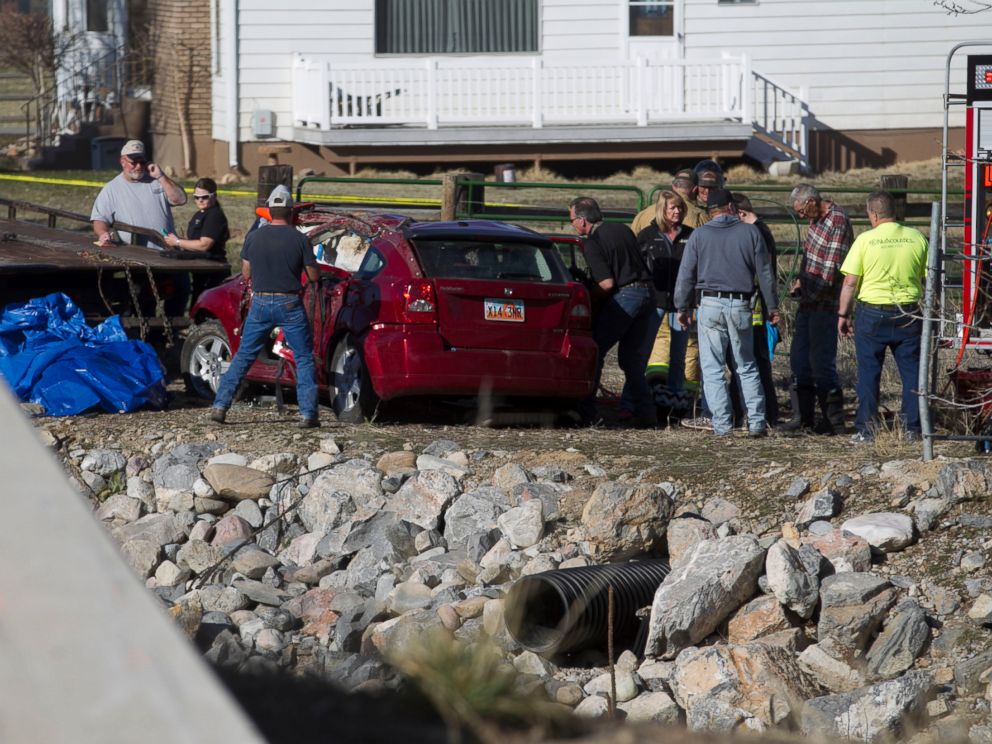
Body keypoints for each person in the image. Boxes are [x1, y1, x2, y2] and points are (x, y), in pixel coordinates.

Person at [210, 190, 321, 428]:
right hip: (289, 303)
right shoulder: (300, 239)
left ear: (269, 211)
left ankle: (220, 406)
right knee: (302, 358)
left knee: (243, 356)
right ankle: (308, 414)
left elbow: (247, 272)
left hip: (260, 302)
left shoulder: (254, 237)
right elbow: (313, 276)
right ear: (291, 212)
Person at [674, 188, 780, 437]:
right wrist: (772, 307)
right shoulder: (751, 232)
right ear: (731, 207)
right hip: (740, 304)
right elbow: (765, 274)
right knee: (747, 365)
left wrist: (682, 306)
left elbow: (686, 274)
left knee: (712, 368)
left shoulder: (699, 235)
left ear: (711, 211)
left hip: (709, 304)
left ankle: (721, 426)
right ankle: (756, 423)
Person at [838, 191, 928, 443]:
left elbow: (850, 281)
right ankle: (912, 427)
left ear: (874, 214)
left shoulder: (866, 240)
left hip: (872, 312)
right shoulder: (916, 237)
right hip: (909, 311)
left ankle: (866, 430)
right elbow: (928, 276)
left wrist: (843, 314)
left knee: (869, 372)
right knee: (911, 372)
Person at [570, 196, 660, 427]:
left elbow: (607, 283)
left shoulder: (592, 242)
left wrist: (588, 300)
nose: (572, 225)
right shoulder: (621, 229)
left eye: (572, 220)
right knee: (631, 362)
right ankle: (647, 414)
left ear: (582, 221)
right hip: (648, 294)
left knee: (595, 352)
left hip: (627, 296)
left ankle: (587, 411)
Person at [784, 183, 854, 434]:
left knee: (822, 362)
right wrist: (801, 281)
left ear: (812, 202)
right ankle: (801, 416)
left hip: (824, 303)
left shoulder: (836, 221)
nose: (801, 216)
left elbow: (832, 268)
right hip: (809, 301)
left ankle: (833, 420)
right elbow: (809, 256)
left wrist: (811, 292)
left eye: (802, 210)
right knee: (799, 359)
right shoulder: (815, 222)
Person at [635, 190, 697, 414]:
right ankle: (633, 399)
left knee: (679, 355)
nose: (677, 211)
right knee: (643, 351)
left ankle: (674, 404)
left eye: (680, 207)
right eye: (673, 207)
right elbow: (638, 267)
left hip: (682, 304)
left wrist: (692, 301)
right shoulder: (646, 235)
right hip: (655, 301)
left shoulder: (692, 235)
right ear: (662, 209)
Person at [733, 192, 779, 424]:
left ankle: (762, 413)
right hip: (756, 305)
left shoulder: (756, 232)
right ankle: (764, 412)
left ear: (741, 213)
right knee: (755, 360)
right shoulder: (762, 230)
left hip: (754, 306)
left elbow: (764, 272)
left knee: (753, 360)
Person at [91, 139, 187, 247]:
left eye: (142, 162)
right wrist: (103, 233)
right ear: (122, 162)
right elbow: (99, 219)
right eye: (134, 162)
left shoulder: (157, 180)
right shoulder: (111, 188)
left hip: (167, 250)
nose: (139, 166)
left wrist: (161, 176)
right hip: (136, 253)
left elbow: (181, 199)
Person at [164, 177, 231, 296]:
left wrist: (178, 242)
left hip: (213, 272)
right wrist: (177, 240)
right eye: (196, 197)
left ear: (214, 196)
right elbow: (195, 241)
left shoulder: (214, 216)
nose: (200, 200)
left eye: (204, 197)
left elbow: (204, 244)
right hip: (201, 271)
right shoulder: (201, 213)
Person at [630, 168, 704, 234]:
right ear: (695, 190)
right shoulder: (700, 216)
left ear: (673, 186)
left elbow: (632, 242)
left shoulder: (643, 215)